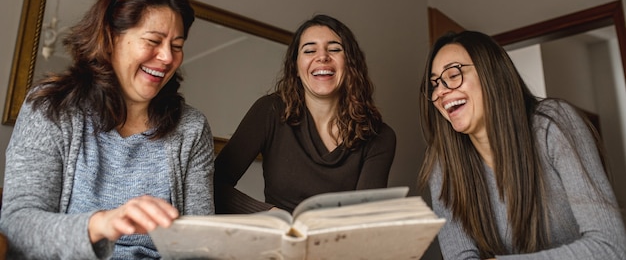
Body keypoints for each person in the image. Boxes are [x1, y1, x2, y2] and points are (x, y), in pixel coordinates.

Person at [0, 0, 215, 259]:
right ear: (111, 38)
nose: (167, 57)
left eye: (176, 45)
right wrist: (102, 224)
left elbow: (199, 244)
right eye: (154, 41)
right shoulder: (52, 107)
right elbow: (18, 226)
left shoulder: (191, 129)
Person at [418, 30, 626, 259]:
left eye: (453, 73)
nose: (440, 91)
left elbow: (611, 247)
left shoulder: (553, 125)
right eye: (434, 83)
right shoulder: (443, 162)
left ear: (492, 73)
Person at [214, 14, 396, 214]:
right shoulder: (269, 111)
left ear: (351, 64)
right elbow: (212, 184)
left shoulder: (380, 137)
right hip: (278, 240)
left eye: (335, 49)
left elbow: (364, 219)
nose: (322, 57)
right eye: (309, 50)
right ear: (296, 68)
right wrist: (270, 214)